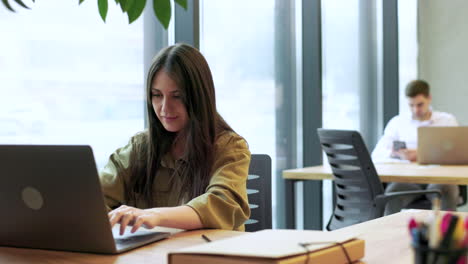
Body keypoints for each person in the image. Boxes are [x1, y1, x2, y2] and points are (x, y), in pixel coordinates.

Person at [99, 43, 251, 235]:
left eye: (177, 96)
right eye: (156, 95)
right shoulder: (140, 147)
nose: (164, 108)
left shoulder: (229, 147)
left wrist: (156, 216)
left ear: (198, 96)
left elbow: (222, 203)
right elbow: (93, 198)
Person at [372, 80, 459, 215]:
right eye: (411, 105)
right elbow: (377, 154)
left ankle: (447, 234)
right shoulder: (397, 123)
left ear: (429, 98)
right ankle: (387, 234)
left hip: (440, 179)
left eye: (420, 105)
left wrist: (422, 154)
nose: (415, 110)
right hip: (408, 180)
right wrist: (397, 154)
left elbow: (458, 153)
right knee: (392, 194)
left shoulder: (447, 120)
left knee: (446, 190)